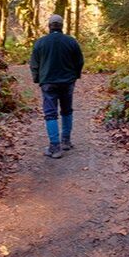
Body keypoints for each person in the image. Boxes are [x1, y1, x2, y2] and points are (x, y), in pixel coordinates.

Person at [29, 14, 84, 158]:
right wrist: (75, 76)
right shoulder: (71, 41)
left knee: (50, 113)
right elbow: (79, 61)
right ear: (61, 26)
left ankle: (55, 147)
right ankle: (66, 141)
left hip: (48, 82)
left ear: (49, 26)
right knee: (67, 110)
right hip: (67, 82)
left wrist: (37, 79)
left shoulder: (40, 43)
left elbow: (34, 64)